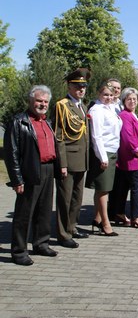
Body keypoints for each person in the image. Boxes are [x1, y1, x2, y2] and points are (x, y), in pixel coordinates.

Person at [4, 85, 61, 265]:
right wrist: (16, 178)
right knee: (24, 213)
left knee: (44, 210)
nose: (42, 104)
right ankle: (19, 251)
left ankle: (41, 243)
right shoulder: (19, 121)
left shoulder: (47, 121)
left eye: (45, 101)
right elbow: (11, 153)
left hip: (48, 168)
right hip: (29, 171)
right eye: (39, 101)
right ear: (30, 101)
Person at [55, 68, 91, 248]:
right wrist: (62, 163)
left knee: (77, 198)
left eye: (83, 86)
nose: (81, 89)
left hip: (81, 160)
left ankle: (72, 227)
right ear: (69, 86)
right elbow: (58, 136)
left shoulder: (83, 107)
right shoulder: (62, 105)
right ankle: (63, 234)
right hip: (68, 160)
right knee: (65, 199)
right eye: (77, 86)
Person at [85, 84, 122, 236]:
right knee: (103, 189)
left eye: (111, 95)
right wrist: (103, 156)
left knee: (103, 188)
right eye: (105, 94)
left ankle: (97, 219)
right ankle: (105, 224)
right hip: (104, 152)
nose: (108, 97)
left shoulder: (111, 108)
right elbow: (96, 135)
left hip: (112, 150)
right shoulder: (97, 110)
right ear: (99, 94)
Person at [113, 88, 138, 229]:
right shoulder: (126, 115)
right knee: (136, 188)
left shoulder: (133, 115)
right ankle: (136, 217)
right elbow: (128, 136)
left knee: (124, 187)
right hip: (131, 157)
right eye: (129, 99)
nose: (132, 101)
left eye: (134, 99)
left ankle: (120, 213)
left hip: (130, 157)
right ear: (123, 101)